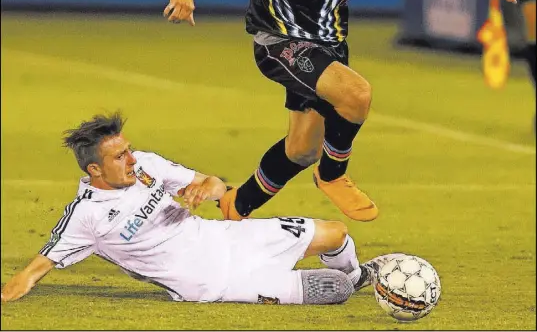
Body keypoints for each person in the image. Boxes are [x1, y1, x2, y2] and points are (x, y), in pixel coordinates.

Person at [163, 0, 528, 222]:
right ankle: (333, 175)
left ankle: (233, 208)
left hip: (330, 43)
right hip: (278, 39)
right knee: (356, 94)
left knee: (301, 150)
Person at [0, 113, 397, 305]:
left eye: (128, 149)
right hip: (210, 283)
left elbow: (212, 183)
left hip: (227, 238)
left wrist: (207, 187)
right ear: (94, 169)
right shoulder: (86, 215)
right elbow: (40, 264)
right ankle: (347, 283)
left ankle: (361, 275)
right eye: (119, 157)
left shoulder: (148, 164)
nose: (131, 159)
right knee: (334, 290)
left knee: (337, 233)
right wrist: (16, 287)